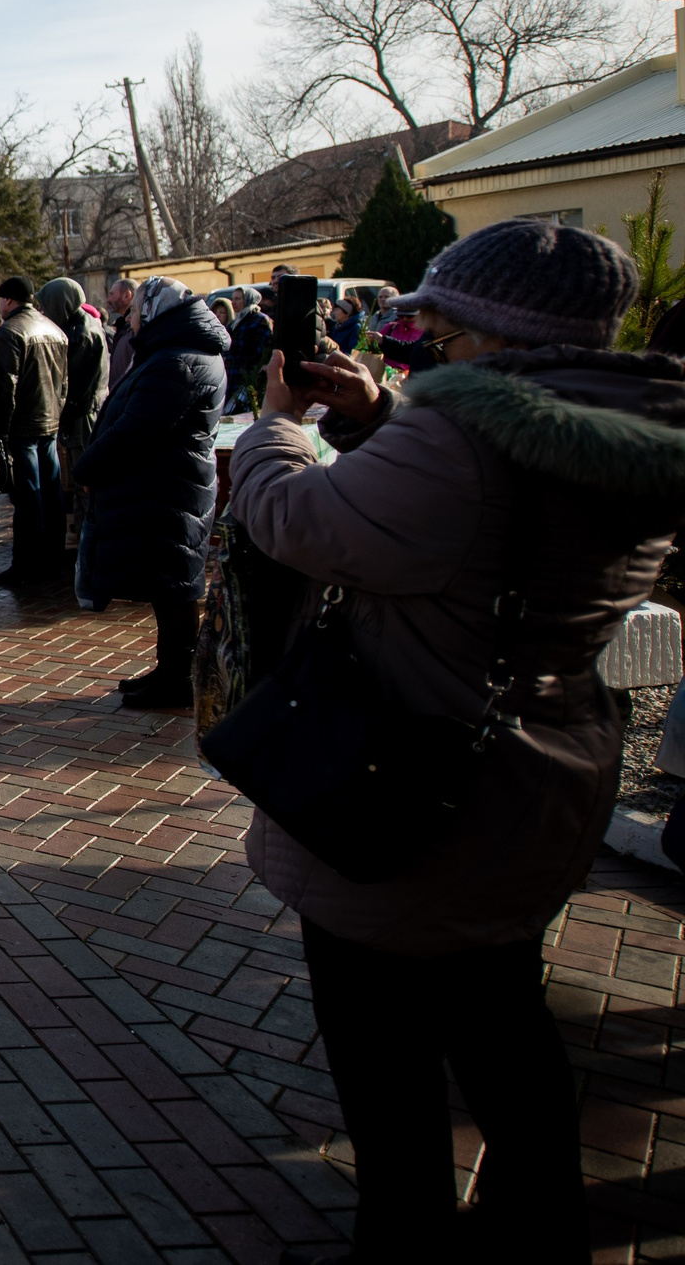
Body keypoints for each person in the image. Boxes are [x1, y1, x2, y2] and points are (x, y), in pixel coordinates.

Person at [230, 220, 685, 1260]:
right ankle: (542, 1226)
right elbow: (489, 516)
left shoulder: (459, 445)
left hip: (407, 778)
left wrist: (276, 426)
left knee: (384, 1053)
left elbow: (296, 520)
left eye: (440, 319)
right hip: (539, 763)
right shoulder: (627, 431)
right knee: (501, 1019)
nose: (421, 332)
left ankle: (405, 1238)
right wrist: (385, 411)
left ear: (494, 330)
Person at [71, 279, 228, 708]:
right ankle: (172, 668)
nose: (130, 318)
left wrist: (87, 467)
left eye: (137, 310)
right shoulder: (175, 352)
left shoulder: (177, 362)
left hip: (169, 489)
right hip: (165, 486)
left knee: (175, 587)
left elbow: (134, 431)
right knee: (169, 585)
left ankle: (179, 679)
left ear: (157, 313)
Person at [0, 277, 68, 589]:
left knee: (28, 498)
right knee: (51, 492)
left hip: (24, 425)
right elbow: (64, 383)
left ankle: (25, 565)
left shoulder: (9, 333)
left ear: (7, 301)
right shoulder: (54, 329)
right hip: (49, 422)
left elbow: (5, 386)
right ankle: (51, 558)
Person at [37, 277, 108, 559]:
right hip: (81, 415)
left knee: (84, 484)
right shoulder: (79, 327)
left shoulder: (81, 334)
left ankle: (90, 544)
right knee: (79, 484)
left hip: (82, 419)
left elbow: (73, 383)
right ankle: (83, 540)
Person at [103, 278, 140, 387]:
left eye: (112, 294)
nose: (108, 300)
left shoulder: (135, 330)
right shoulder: (123, 328)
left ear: (127, 296)